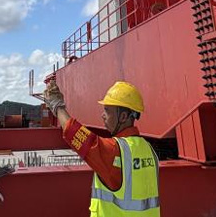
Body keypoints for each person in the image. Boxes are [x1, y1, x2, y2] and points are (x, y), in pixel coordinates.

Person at [44, 80, 160, 216]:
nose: (102, 115)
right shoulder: (149, 150)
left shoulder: (115, 151)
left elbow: (75, 134)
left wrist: (57, 106)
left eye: (107, 110)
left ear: (123, 117)